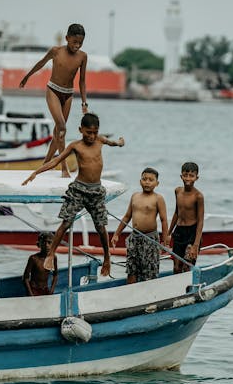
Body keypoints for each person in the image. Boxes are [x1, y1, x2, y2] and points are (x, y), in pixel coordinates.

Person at [22, 113, 124, 277]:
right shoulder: (75, 146)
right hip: (79, 189)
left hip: (96, 190)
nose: (91, 136)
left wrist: (119, 143)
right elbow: (56, 160)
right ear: (80, 130)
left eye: (94, 132)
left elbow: (112, 143)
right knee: (66, 222)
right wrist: (36, 172)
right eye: (88, 132)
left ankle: (107, 258)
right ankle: (50, 255)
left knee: (100, 227)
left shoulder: (100, 140)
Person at [19, 23, 88, 178]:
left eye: (80, 43)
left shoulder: (83, 57)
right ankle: (64, 168)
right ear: (67, 38)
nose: (77, 46)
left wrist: (84, 102)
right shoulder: (56, 51)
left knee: (58, 132)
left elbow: (82, 81)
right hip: (53, 91)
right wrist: (27, 76)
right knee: (62, 128)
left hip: (68, 94)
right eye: (74, 42)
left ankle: (45, 165)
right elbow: (41, 63)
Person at [110, 167, 169, 284]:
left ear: (157, 183)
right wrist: (117, 234)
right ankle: (130, 291)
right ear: (140, 181)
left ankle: (148, 293)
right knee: (131, 268)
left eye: (151, 180)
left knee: (149, 269)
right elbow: (127, 216)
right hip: (134, 238)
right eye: (144, 179)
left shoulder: (158, 198)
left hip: (150, 238)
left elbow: (164, 220)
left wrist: (165, 240)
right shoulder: (135, 196)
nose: (147, 182)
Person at [169, 162, 205, 273]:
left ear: (196, 178)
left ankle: (190, 289)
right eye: (185, 175)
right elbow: (176, 212)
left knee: (187, 266)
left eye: (191, 176)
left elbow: (200, 221)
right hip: (179, 232)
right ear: (181, 176)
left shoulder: (198, 196)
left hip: (192, 233)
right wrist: (168, 233)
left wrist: (196, 245)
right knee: (176, 268)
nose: (188, 178)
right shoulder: (178, 191)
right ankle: (177, 289)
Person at [23, 232, 58, 296]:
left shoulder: (53, 258)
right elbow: (25, 278)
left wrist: (51, 291)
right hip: (34, 290)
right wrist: (30, 293)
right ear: (39, 244)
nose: (46, 245)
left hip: (45, 290)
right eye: (44, 242)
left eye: (49, 243)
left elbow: (55, 275)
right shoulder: (33, 258)